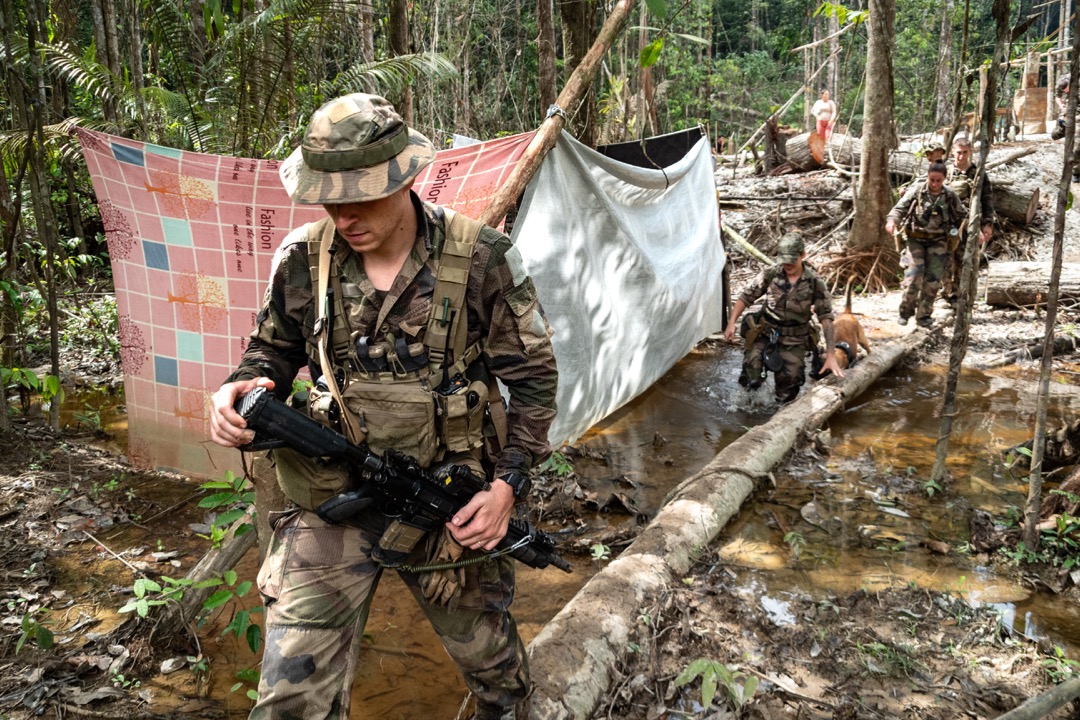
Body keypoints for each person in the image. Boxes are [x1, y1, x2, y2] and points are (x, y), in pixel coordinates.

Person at [209, 93, 559, 720]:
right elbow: (270, 353)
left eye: (363, 195)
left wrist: (507, 488)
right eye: (331, 199)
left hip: (452, 503)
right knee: (290, 696)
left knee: (497, 677)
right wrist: (241, 390)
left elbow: (533, 382)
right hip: (333, 502)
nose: (345, 215)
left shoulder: (480, 259)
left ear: (406, 177)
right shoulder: (302, 259)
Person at [723, 233, 843, 404]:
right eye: (784, 260)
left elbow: (826, 318)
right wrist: (731, 323)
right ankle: (749, 407)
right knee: (751, 374)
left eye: (791, 260)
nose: (787, 265)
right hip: (764, 333)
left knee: (789, 386)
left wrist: (831, 354)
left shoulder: (815, 283)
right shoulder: (771, 274)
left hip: (795, 339)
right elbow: (745, 297)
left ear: (802, 255)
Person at [885, 160, 966, 327]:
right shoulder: (917, 191)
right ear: (928, 177)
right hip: (916, 239)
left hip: (938, 241)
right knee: (913, 276)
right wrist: (892, 221)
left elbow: (962, 216)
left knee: (933, 279)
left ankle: (924, 315)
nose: (934, 184)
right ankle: (905, 311)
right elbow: (899, 209)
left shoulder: (949, 195)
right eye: (932, 180)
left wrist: (973, 230)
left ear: (944, 179)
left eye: (938, 180)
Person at [941, 134, 994, 302]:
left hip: (971, 222)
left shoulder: (978, 174)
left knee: (966, 260)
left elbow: (987, 199)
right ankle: (946, 295)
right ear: (952, 153)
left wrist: (987, 224)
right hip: (948, 223)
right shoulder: (945, 172)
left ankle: (964, 297)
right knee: (946, 260)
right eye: (958, 152)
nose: (961, 156)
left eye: (965, 152)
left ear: (970, 152)